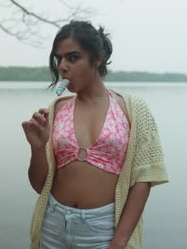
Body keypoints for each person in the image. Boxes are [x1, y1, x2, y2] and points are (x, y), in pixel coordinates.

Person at [21, 20, 168, 249]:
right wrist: (37, 147)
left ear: (97, 58)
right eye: (59, 59)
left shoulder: (132, 109)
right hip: (53, 225)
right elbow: (41, 186)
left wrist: (119, 241)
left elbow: (144, 179)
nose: (62, 67)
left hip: (103, 231)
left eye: (72, 57)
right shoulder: (56, 110)